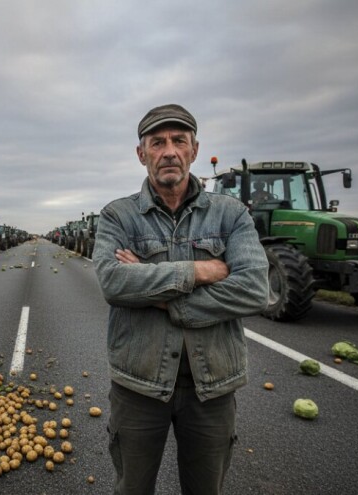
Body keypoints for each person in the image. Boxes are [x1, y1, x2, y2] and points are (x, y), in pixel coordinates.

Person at [93, 104, 270, 495]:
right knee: (132, 488)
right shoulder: (118, 217)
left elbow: (255, 289)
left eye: (179, 141)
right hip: (138, 384)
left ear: (193, 149)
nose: (169, 151)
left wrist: (163, 299)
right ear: (142, 154)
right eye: (157, 143)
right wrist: (201, 271)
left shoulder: (231, 215)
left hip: (212, 387)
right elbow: (112, 283)